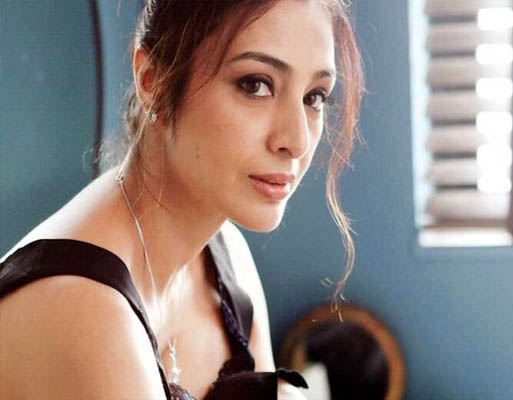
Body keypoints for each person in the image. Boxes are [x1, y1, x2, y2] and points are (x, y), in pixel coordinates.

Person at [0, 0, 364, 399]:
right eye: (255, 85)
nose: (296, 140)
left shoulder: (227, 258)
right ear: (152, 81)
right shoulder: (82, 310)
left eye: (314, 97)